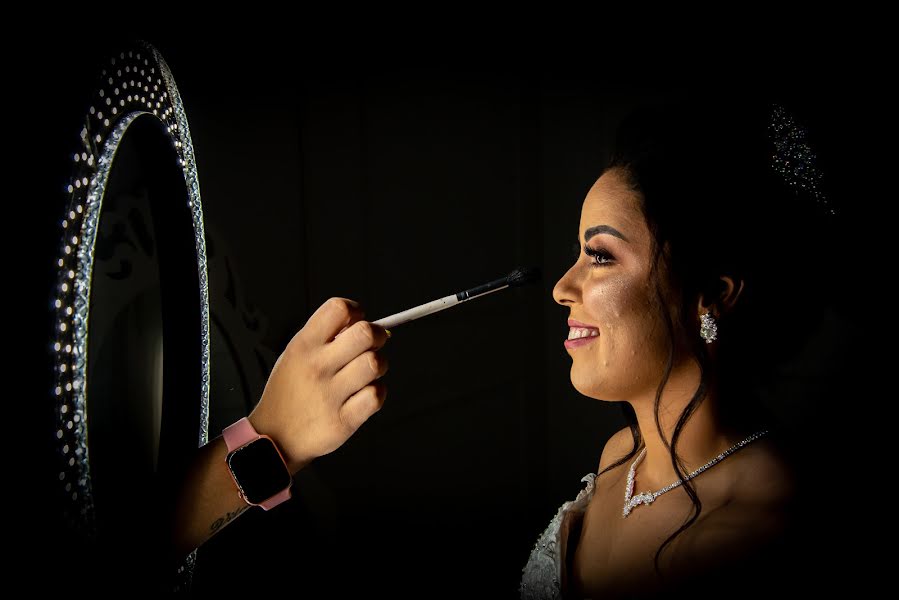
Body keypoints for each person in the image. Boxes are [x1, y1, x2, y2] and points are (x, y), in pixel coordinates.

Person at [519, 95, 838, 599]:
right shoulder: (621, 457)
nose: (562, 287)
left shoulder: (752, 533)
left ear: (709, 297)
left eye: (599, 256)